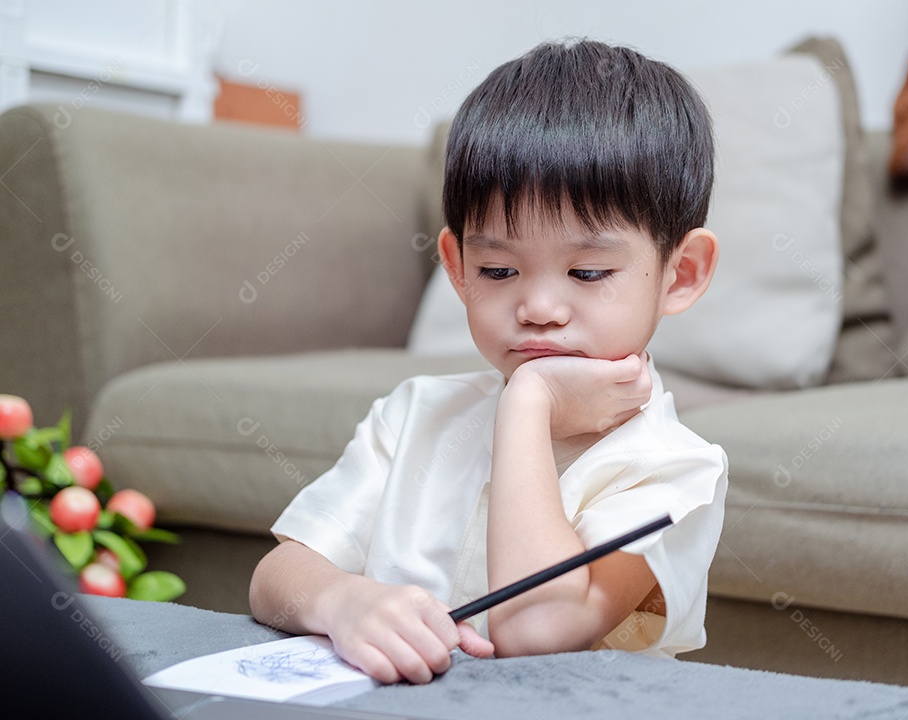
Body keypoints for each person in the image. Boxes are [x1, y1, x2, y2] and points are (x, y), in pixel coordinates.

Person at [249, 38, 728, 686]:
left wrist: (527, 403)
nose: (537, 306)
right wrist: (341, 602)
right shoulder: (414, 414)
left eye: (587, 271)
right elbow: (275, 576)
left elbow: (535, 630)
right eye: (498, 269)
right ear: (457, 267)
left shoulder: (674, 470)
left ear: (681, 274)